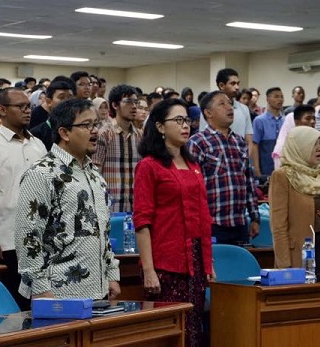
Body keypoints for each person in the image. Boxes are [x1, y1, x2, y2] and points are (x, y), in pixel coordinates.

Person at [15, 99, 120, 300]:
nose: (95, 131)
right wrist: (40, 288)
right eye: (86, 125)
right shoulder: (42, 173)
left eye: (95, 124)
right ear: (64, 133)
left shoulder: (94, 174)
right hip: (57, 294)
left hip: (97, 291)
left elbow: (103, 230)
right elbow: (28, 235)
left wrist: (112, 274)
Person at [134, 98, 213, 347]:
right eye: (177, 120)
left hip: (196, 261)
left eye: (187, 120)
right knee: (171, 332)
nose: (185, 125)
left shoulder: (193, 164)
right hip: (165, 265)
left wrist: (208, 264)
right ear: (159, 127)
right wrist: (148, 270)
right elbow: (142, 221)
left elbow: (203, 217)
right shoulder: (149, 166)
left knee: (195, 328)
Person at [0, 87, 47, 309]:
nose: (27, 111)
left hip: (37, 240)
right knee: (12, 309)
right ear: (2, 110)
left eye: (29, 107)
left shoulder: (38, 144)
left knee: (37, 306)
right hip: (5, 241)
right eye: (21, 107)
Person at [270, 126, 320, 280]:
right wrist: (285, 266)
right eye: (314, 145)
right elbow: (279, 227)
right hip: (299, 255)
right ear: (299, 147)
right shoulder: (282, 177)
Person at [188, 91, 259, 245]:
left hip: (239, 223)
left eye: (229, 103)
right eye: (222, 104)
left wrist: (255, 217)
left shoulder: (239, 142)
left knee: (239, 266)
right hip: (211, 224)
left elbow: (249, 182)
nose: (229, 108)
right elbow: (191, 188)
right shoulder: (197, 143)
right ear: (208, 113)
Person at [93, 84, 143, 213]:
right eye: (128, 102)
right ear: (115, 105)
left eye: (136, 102)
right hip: (110, 208)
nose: (134, 106)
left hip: (135, 208)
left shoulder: (140, 136)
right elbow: (96, 173)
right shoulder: (103, 134)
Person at [198, 69, 253, 150]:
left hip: (239, 157)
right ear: (221, 85)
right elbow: (203, 138)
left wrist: (246, 159)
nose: (237, 87)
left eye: (238, 83)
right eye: (233, 84)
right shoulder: (209, 109)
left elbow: (249, 140)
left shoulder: (244, 109)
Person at [272, 104, 320, 170]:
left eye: (314, 119)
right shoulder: (283, 149)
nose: (312, 122)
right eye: (308, 118)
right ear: (296, 122)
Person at [30, 78, 75, 151]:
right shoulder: (36, 134)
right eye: (62, 97)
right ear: (49, 102)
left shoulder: (79, 129)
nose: (67, 101)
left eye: (70, 97)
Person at [252, 87, 284, 177]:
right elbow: (255, 145)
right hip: (266, 169)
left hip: (283, 169)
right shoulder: (259, 120)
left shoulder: (285, 121)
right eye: (276, 96)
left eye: (282, 97)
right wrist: (256, 169)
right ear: (268, 99)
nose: (280, 99)